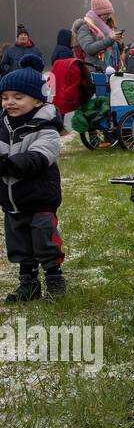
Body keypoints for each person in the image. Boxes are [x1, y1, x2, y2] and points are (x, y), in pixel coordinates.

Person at [0, 55, 67, 302]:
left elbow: (39, 157)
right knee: (19, 245)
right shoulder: (4, 126)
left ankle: (54, 279)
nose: (10, 103)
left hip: (40, 199)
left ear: (38, 100)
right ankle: (28, 283)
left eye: (18, 97)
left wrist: (8, 164)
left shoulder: (46, 128)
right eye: (5, 97)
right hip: (12, 201)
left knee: (45, 241)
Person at [74, 0, 125, 72]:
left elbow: (111, 51)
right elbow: (89, 49)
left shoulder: (106, 27)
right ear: (98, 14)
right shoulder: (84, 27)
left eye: (110, 14)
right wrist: (110, 39)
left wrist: (119, 44)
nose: (109, 17)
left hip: (108, 70)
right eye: (107, 14)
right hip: (94, 71)